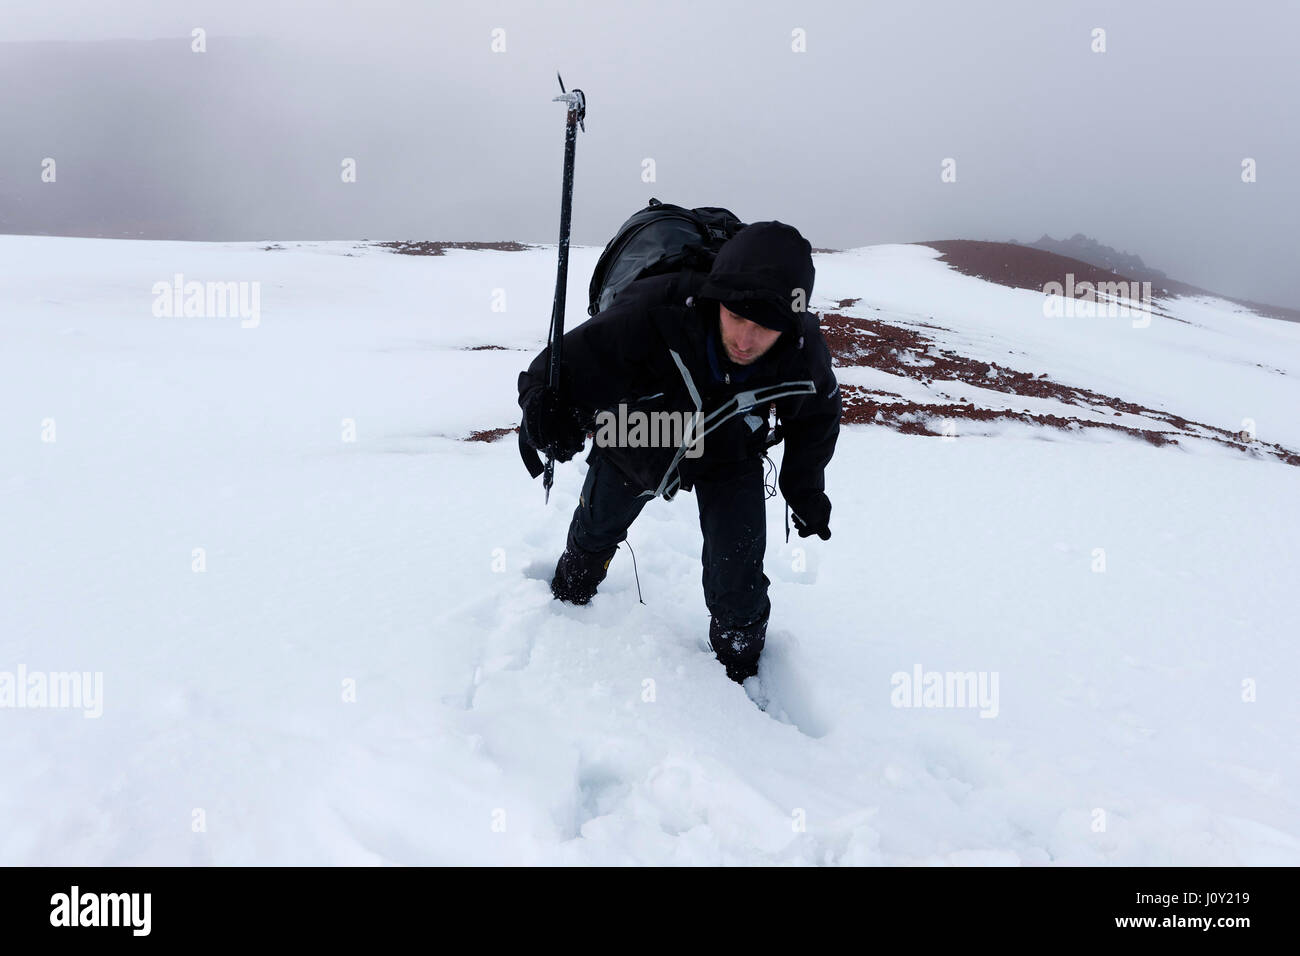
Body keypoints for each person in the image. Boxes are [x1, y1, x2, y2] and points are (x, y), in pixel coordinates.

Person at [517, 221, 840, 683]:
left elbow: (818, 416)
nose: (746, 340)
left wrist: (804, 490)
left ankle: (742, 671)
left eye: (765, 327)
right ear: (716, 298)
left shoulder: (801, 349)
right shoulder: (655, 309)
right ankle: (570, 596)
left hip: (730, 447)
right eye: (736, 317)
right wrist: (545, 415)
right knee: (597, 528)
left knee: (739, 578)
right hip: (639, 434)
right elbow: (554, 371)